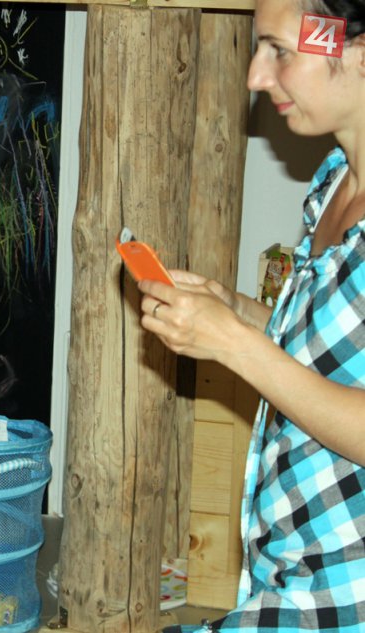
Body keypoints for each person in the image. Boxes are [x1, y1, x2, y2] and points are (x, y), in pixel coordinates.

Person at [142, 1, 365, 630]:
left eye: (280, 51)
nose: (256, 77)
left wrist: (235, 344)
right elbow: (330, 352)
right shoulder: (335, 183)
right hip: (293, 569)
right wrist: (234, 311)